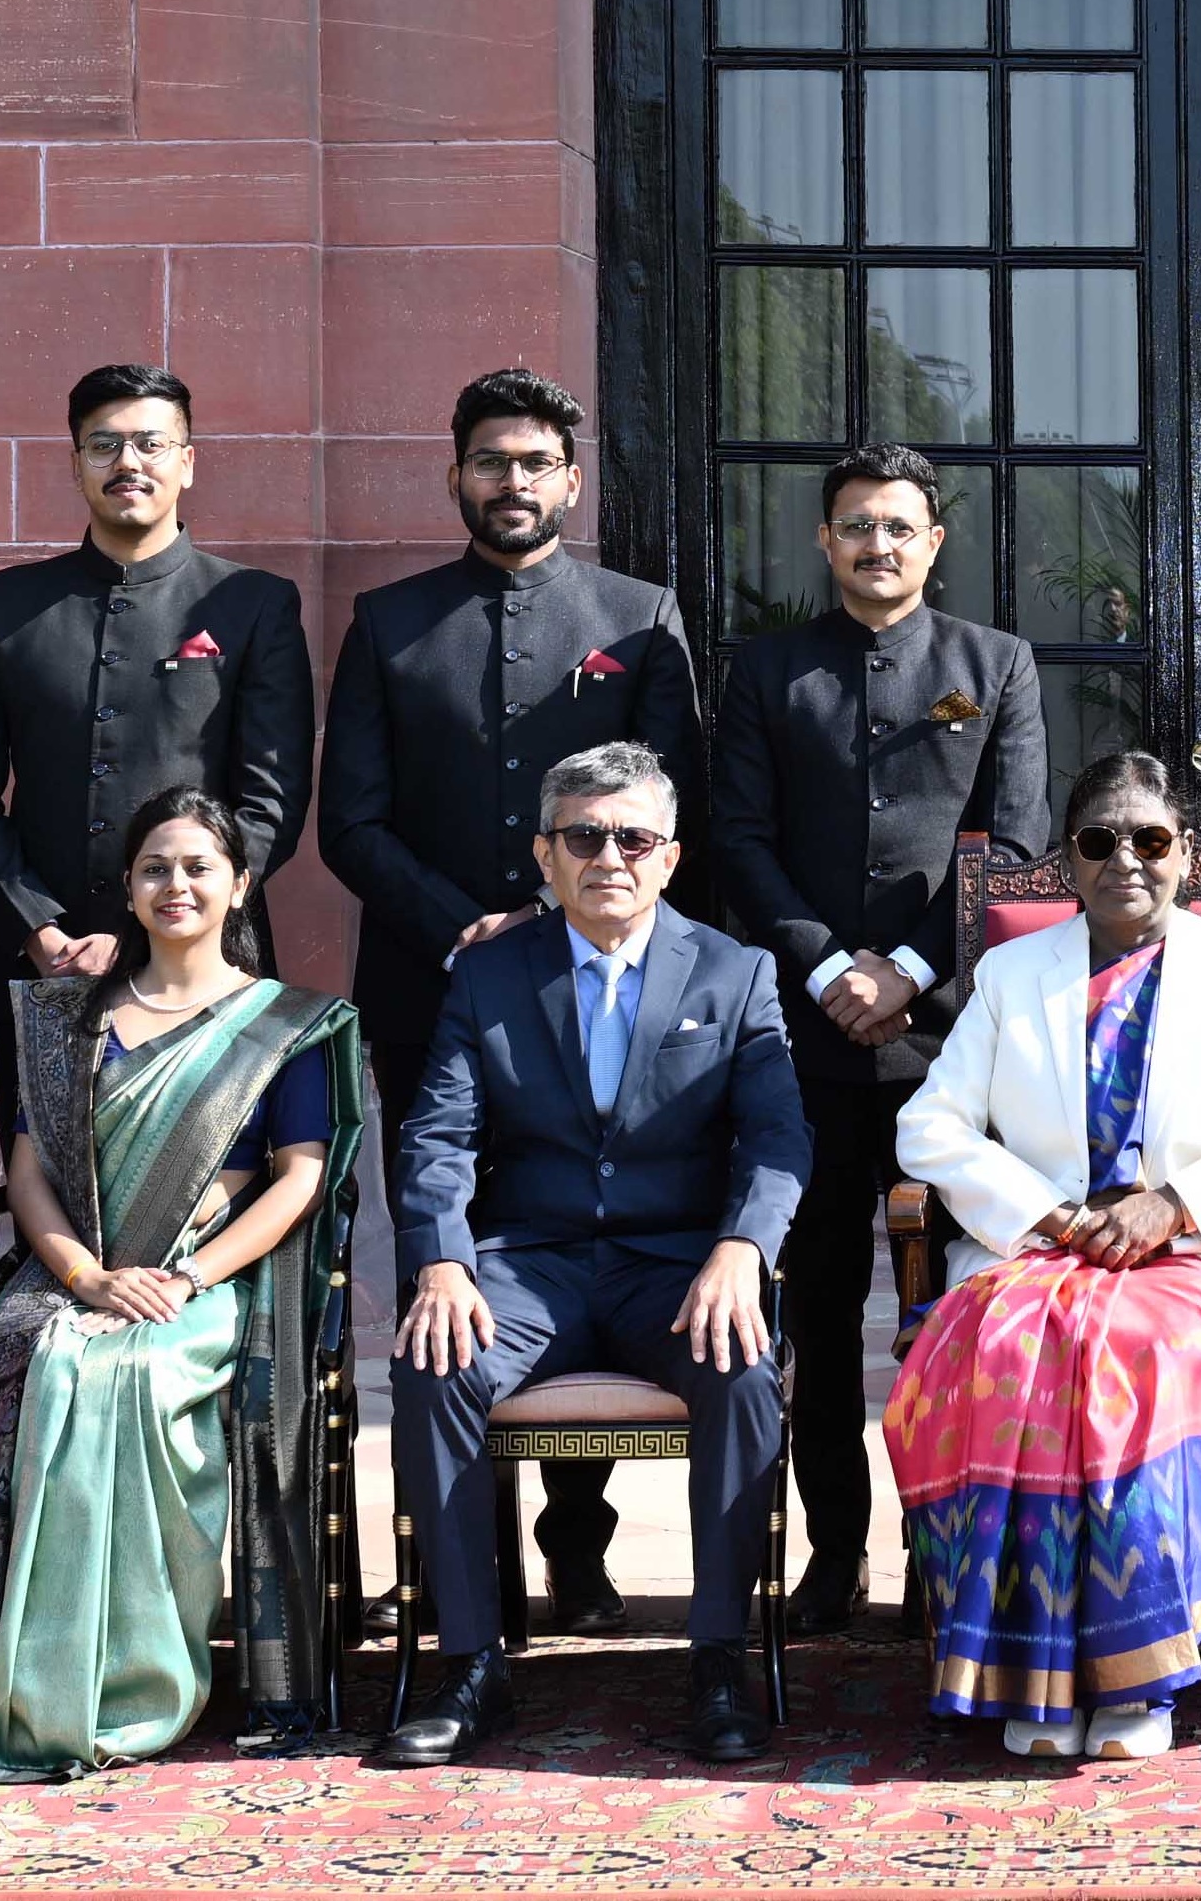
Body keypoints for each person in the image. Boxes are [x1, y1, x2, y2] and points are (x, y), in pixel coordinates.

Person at [325, 367, 708, 1632]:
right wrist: (466, 924)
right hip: (427, 982)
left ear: (569, 479)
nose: (513, 483)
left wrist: (556, 915)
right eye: (490, 461)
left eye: (535, 462)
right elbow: (350, 822)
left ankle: (579, 1547)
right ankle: (457, 1570)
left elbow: (667, 804)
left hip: (591, 983)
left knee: (573, 1244)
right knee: (450, 1261)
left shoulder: (638, 618)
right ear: (456, 476)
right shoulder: (388, 622)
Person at [881, 752, 1201, 1760]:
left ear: (1184, 855)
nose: (1124, 860)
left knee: (1128, 1358)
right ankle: (1031, 1677)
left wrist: (1176, 1206)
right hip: (1044, 1253)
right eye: (1098, 840)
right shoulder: (1015, 975)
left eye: (1149, 839)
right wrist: (1049, 1215)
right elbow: (929, 1128)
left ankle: (1132, 1677)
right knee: (1010, 1354)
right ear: (1067, 859)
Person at [0, 794, 366, 1783]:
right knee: (50, 1364)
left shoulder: (286, 1023)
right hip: (79, 1275)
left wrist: (189, 1274)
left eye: (199, 866)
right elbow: (27, 1173)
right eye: (155, 867)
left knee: (130, 1382)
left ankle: (138, 1683)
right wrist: (86, 1273)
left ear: (239, 885)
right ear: (130, 890)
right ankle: (23, 1682)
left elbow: (300, 1179)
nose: (177, 885)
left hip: (209, 1287)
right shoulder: (70, 1017)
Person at [378, 742, 815, 1769]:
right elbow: (435, 1135)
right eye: (583, 836)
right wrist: (441, 1261)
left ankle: (718, 1658)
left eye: (633, 837)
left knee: (742, 1367)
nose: (607, 855)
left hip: (675, 1266)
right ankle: (471, 1664)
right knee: (431, 1359)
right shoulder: (488, 974)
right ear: (544, 853)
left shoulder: (735, 970)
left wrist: (741, 1247)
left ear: (669, 857)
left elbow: (776, 1136)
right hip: (528, 1262)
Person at [701, 441, 1054, 1637]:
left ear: (932, 539)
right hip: (801, 1042)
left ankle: (938, 1551)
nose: (877, 545)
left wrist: (903, 969)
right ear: (825, 539)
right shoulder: (768, 670)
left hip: (944, 1044)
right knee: (814, 1309)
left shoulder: (990, 664)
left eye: (898, 526)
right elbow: (735, 838)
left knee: (951, 1314)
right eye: (854, 525)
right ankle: (833, 1551)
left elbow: (1009, 843)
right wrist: (822, 962)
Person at [0, 364, 317, 994]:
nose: (127, 462)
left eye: (150, 443)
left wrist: (161, 926)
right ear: (76, 464)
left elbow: (271, 798)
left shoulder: (254, 605)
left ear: (187, 463)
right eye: (104, 445)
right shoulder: (4, 606)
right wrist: (36, 927)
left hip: (202, 959)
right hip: (44, 960)